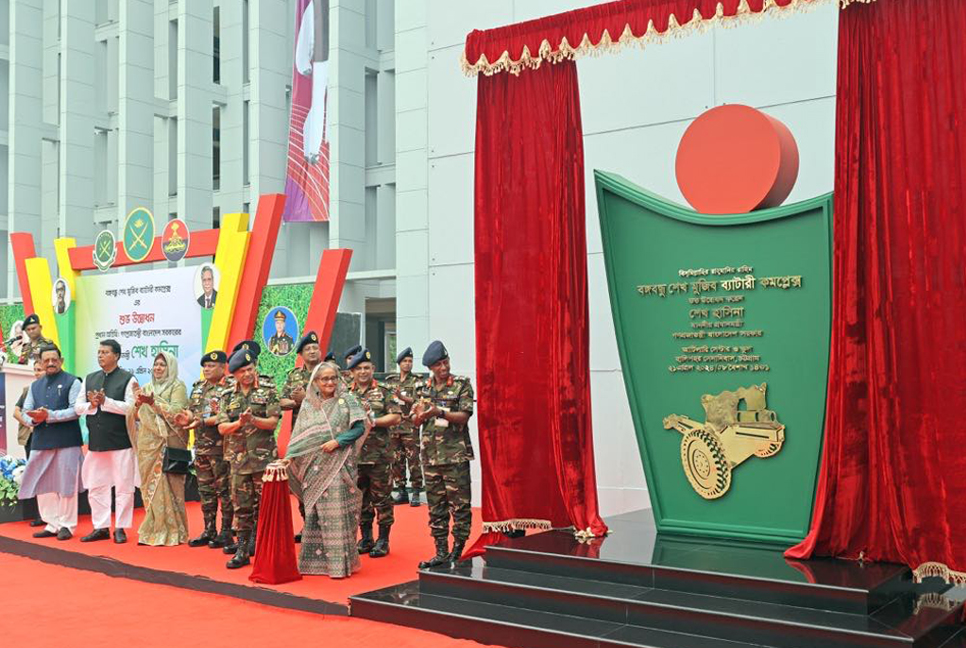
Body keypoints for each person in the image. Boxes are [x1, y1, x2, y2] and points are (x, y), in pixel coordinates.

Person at [286, 362, 368, 577]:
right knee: (317, 513)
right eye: (325, 379)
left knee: (339, 513)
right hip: (314, 467)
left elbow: (360, 427)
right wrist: (289, 459)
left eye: (333, 378)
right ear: (316, 382)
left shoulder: (347, 400)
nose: (330, 382)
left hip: (340, 463)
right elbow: (300, 439)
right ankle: (315, 563)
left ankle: (340, 566)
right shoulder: (308, 405)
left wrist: (339, 442)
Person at [413, 341, 476, 568]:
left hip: (455, 456)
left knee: (460, 506)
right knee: (436, 507)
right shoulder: (422, 388)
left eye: (445, 362)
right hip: (430, 457)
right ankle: (441, 551)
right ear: (431, 367)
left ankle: (458, 550)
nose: (444, 367)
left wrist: (439, 411)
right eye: (438, 364)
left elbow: (464, 416)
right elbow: (414, 419)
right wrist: (419, 416)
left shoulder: (461, 385)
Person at [217, 349, 280, 569]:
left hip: (264, 461)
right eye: (243, 371)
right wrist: (240, 424)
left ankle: (265, 549)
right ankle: (242, 550)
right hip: (239, 462)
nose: (248, 374)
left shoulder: (268, 390)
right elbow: (223, 428)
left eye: (251, 369)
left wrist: (253, 419)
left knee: (266, 507)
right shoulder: (227, 396)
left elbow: (273, 422)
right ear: (234, 374)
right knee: (241, 508)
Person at [75, 339, 139, 544]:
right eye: (99, 352)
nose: (100, 355)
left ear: (117, 356)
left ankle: (120, 527)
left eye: (105, 352)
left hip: (120, 441)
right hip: (97, 441)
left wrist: (107, 402)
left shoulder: (128, 379)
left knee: (123, 487)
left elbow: (132, 409)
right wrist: (91, 405)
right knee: (96, 485)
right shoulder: (89, 378)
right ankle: (100, 526)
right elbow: (77, 407)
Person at [17, 345, 84, 540]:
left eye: (54, 359)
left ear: (61, 361)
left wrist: (50, 415)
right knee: (42, 482)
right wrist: (33, 419)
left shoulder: (73, 381)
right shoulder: (34, 386)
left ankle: (67, 525)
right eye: (46, 360)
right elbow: (25, 411)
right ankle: (51, 523)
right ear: (40, 363)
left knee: (66, 483)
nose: (51, 363)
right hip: (41, 440)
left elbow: (75, 410)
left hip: (67, 441)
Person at [133, 352, 190, 546]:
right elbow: (134, 415)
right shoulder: (147, 387)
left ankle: (174, 532)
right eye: (155, 364)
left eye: (162, 365)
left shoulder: (177, 386)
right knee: (150, 487)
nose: (157, 368)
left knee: (171, 488)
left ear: (170, 367)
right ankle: (154, 529)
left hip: (169, 445)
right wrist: (138, 403)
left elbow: (177, 413)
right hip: (148, 446)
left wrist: (153, 403)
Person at [348, 348, 401, 558]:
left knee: (383, 499)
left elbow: (395, 417)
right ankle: (367, 537)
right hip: (355, 457)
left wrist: (374, 422)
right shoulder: (346, 394)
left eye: (367, 368)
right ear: (352, 371)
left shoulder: (384, 391)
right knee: (360, 500)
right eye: (359, 368)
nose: (363, 372)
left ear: (373, 369)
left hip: (379, 456)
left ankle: (383, 540)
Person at [186, 350, 234, 549]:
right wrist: (186, 417)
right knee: (205, 491)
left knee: (225, 491)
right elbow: (192, 410)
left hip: (221, 448)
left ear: (223, 367)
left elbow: (229, 414)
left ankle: (226, 531)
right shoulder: (198, 388)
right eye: (205, 366)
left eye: (212, 366)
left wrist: (202, 421)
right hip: (201, 448)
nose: (207, 369)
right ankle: (209, 529)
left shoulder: (230, 387)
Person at [385, 347, 423, 507]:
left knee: (413, 459)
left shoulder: (417, 380)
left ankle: (415, 491)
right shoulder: (391, 380)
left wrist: (402, 397)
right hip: (394, 427)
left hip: (409, 426)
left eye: (410, 361)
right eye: (405, 361)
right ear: (399, 363)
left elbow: (420, 401)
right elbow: (386, 399)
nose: (408, 364)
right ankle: (401, 490)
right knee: (396, 460)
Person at [13, 359, 46, 526]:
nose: (37, 373)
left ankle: (49, 514)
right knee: (35, 475)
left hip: (48, 438)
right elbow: (16, 412)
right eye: (35, 370)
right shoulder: (29, 390)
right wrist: (29, 424)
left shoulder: (53, 390)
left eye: (39, 370)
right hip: (31, 438)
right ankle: (39, 514)